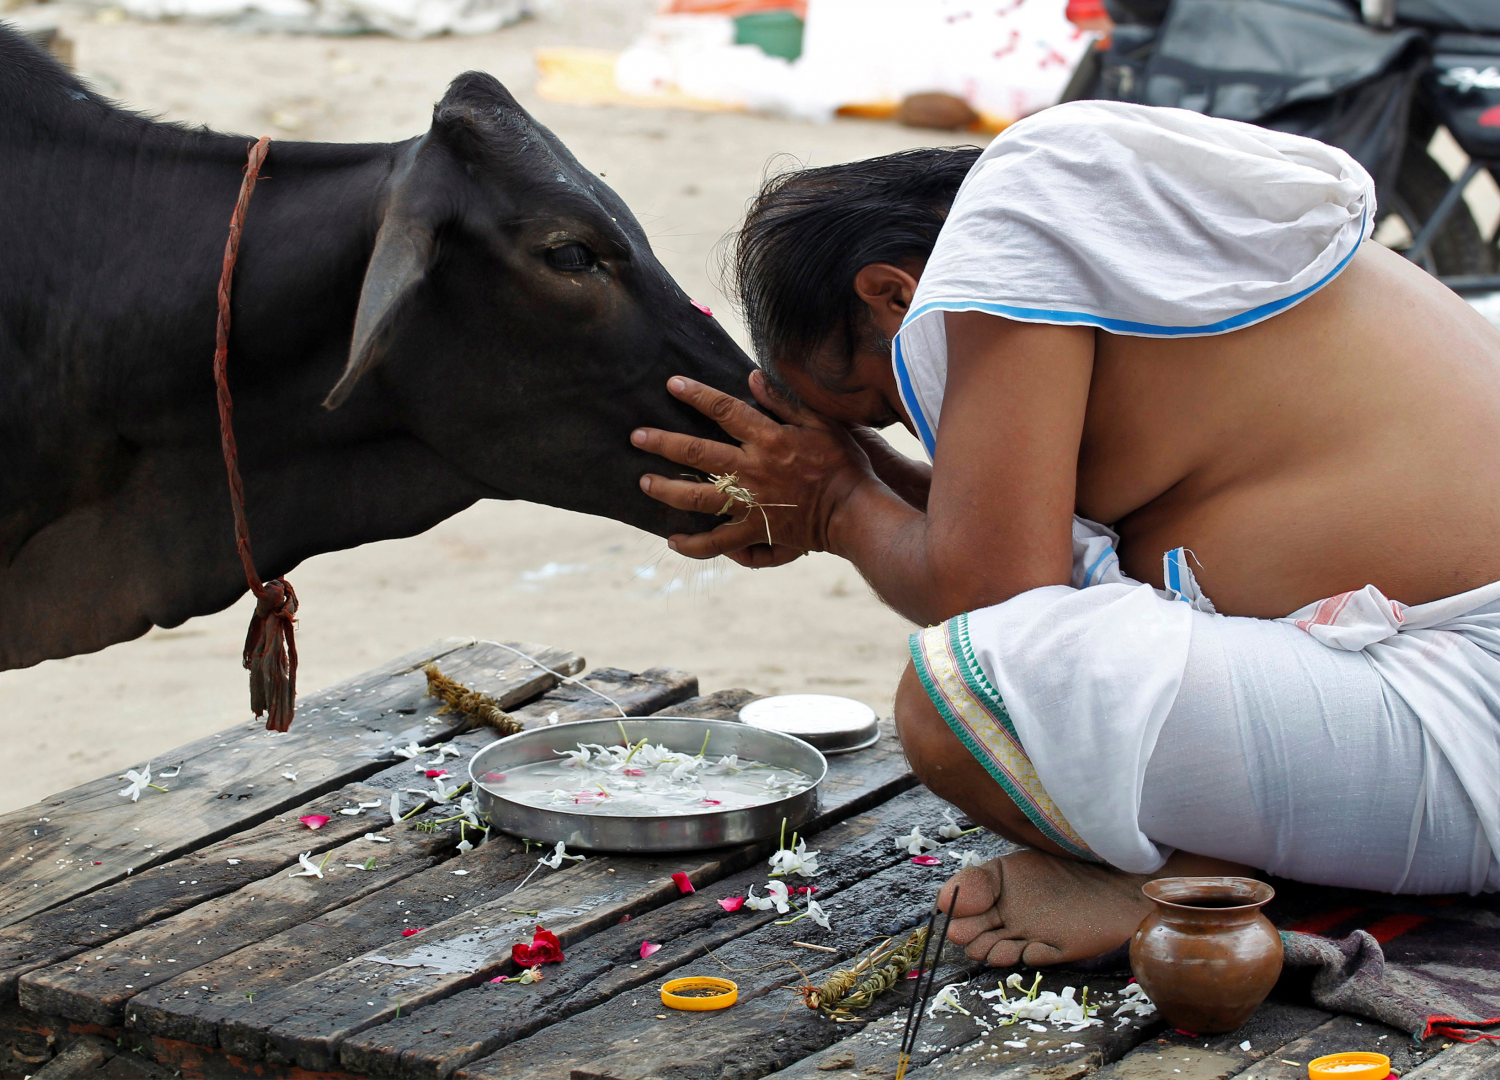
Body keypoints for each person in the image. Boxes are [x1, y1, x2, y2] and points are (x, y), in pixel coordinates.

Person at [629, 99, 1500, 967]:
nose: (918, 424)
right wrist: (852, 484)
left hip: (1470, 708)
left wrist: (836, 504)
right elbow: (1019, 544)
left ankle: (1167, 878)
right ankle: (1222, 854)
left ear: (894, 295)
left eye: (883, 407)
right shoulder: (1097, 250)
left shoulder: (1015, 218)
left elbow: (1000, 600)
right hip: (1445, 711)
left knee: (955, 699)